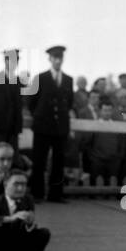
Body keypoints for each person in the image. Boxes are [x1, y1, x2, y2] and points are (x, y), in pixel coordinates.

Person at [29, 45, 74, 202]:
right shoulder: (40, 78)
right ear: (50, 59)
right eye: (55, 58)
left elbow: (69, 103)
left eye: (60, 58)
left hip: (60, 127)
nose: (58, 61)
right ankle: (37, 193)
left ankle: (55, 194)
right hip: (43, 126)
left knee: (59, 161)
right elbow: (31, 102)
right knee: (39, 161)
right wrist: (41, 115)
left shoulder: (68, 80)